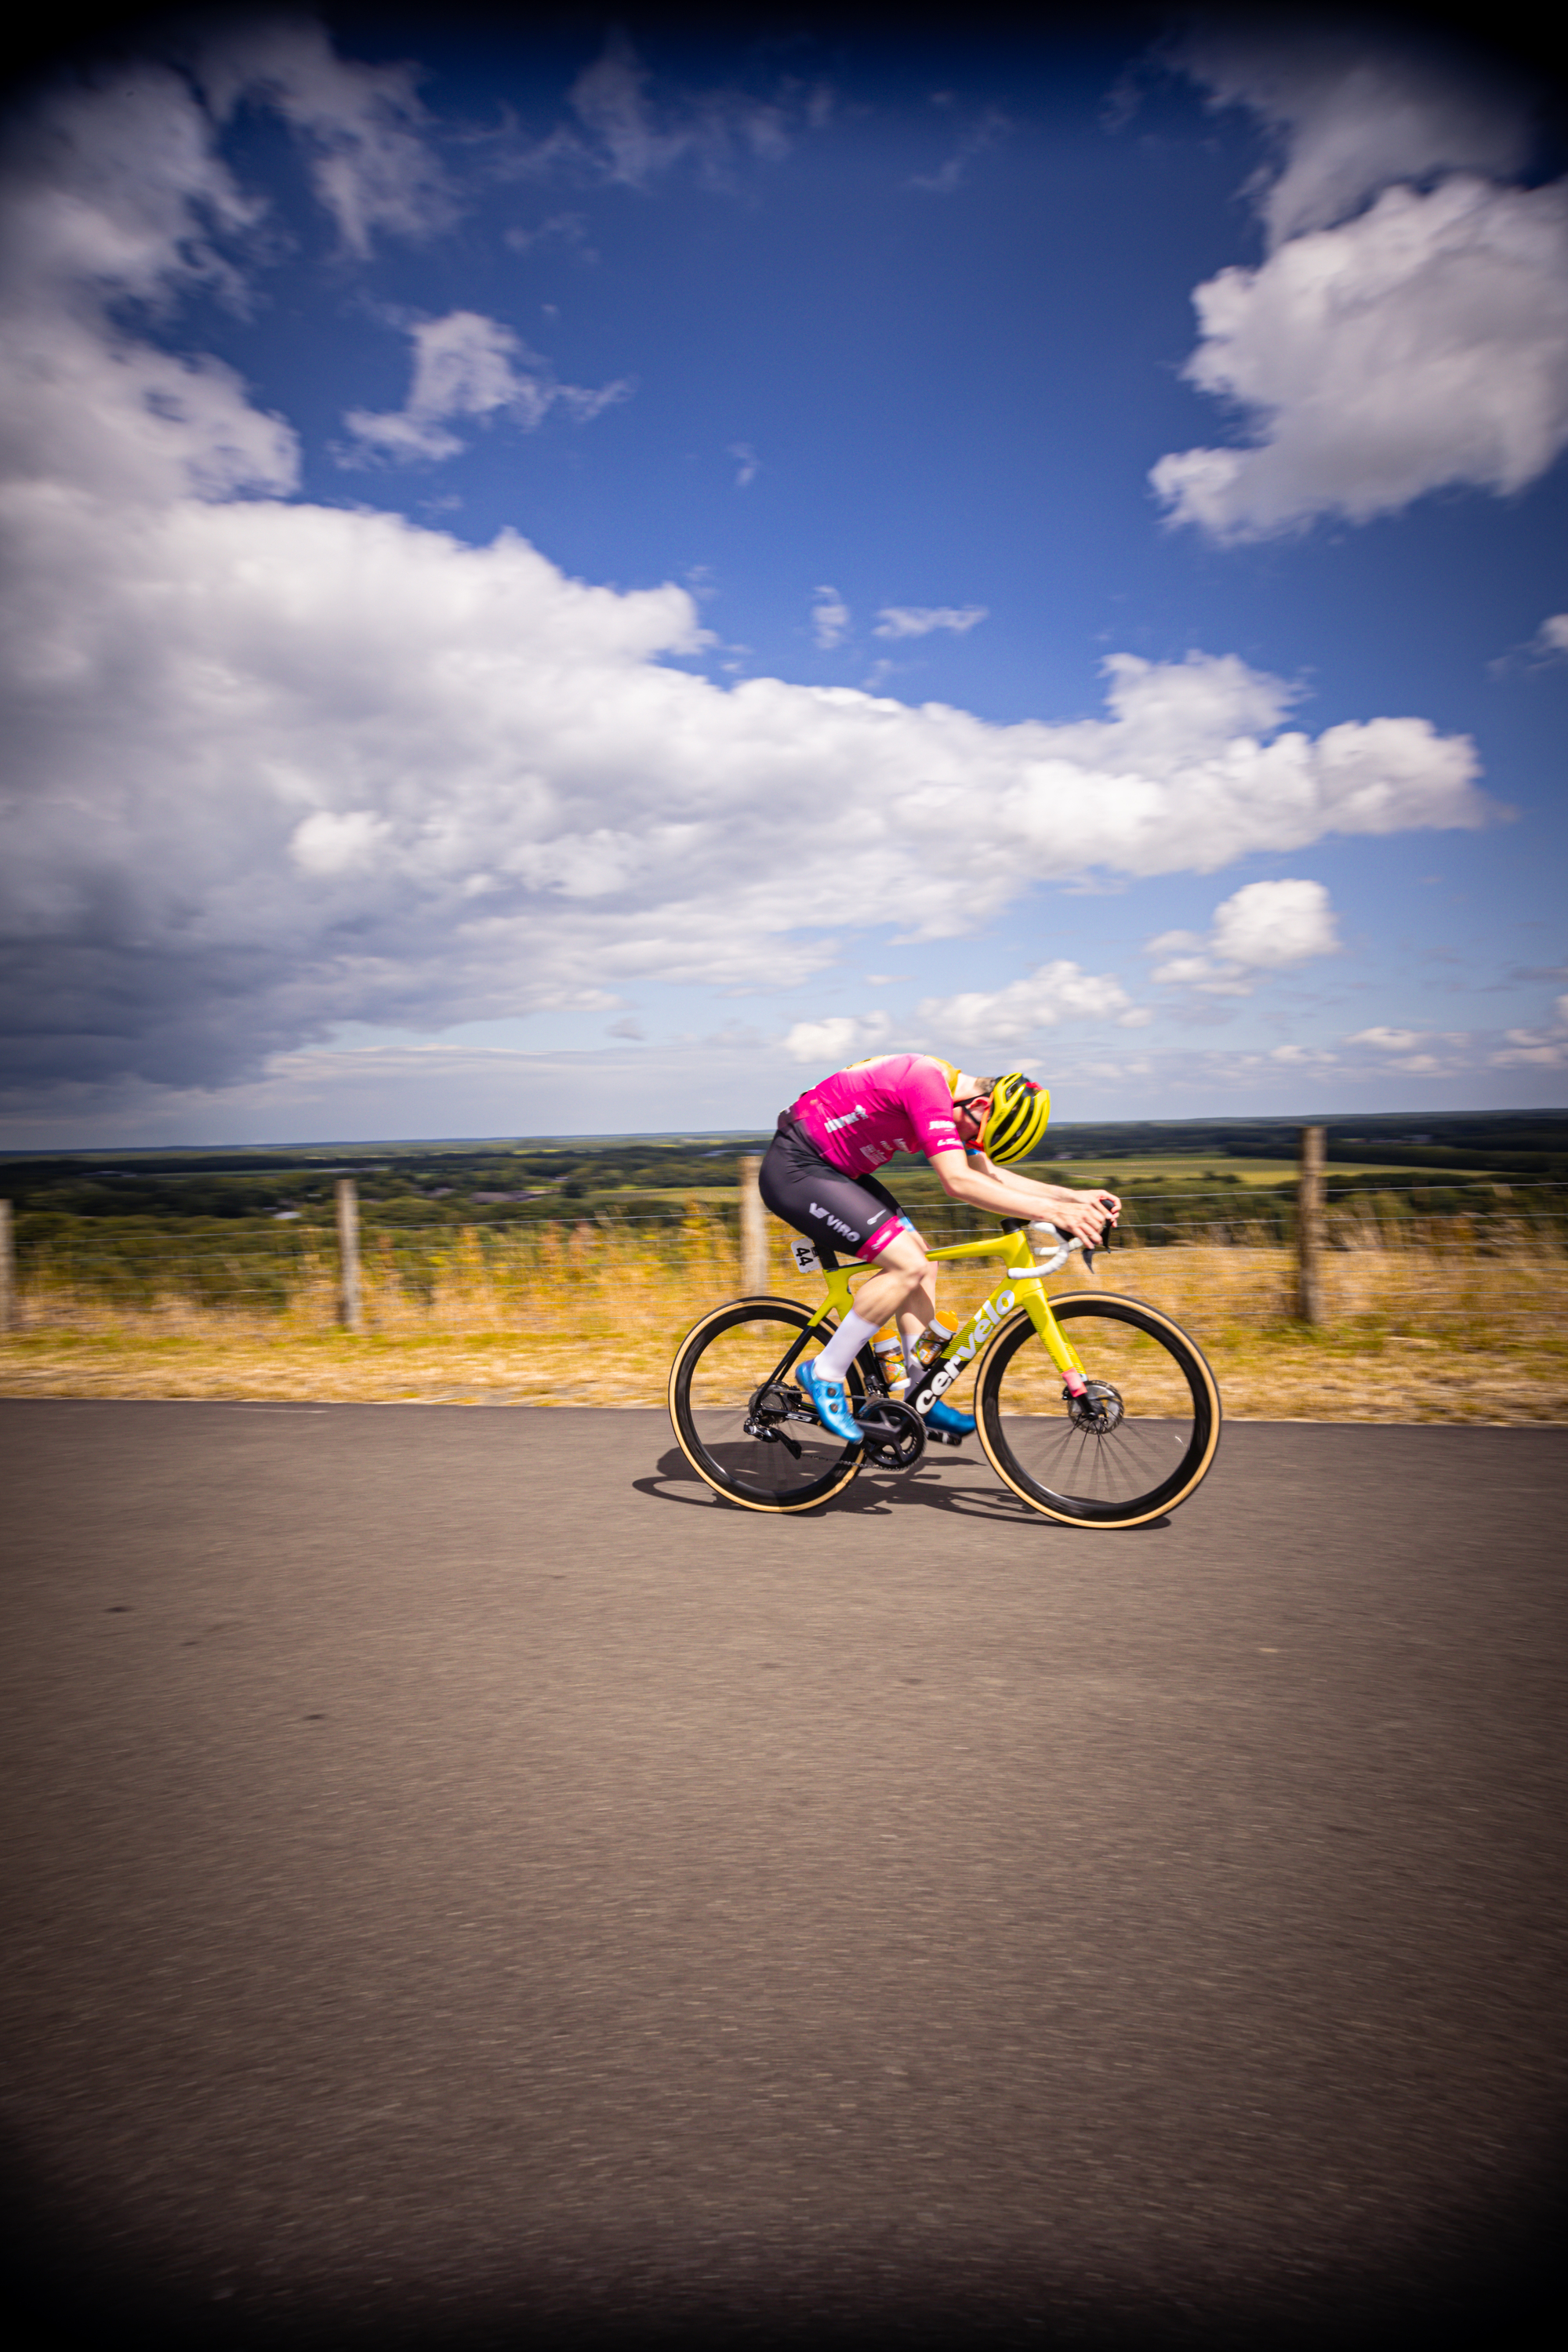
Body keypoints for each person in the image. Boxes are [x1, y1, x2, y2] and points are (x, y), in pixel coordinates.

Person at [759, 1054, 1120, 1443]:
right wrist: (1056, 1213)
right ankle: (825, 1371)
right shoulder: (926, 1082)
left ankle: (918, 1394)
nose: (972, 1144)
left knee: (923, 1262)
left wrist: (1073, 1199)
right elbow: (958, 1181)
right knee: (908, 1264)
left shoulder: (963, 1103)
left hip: (835, 1171)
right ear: (982, 1105)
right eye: (976, 1136)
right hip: (798, 1168)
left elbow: (989, 1174)